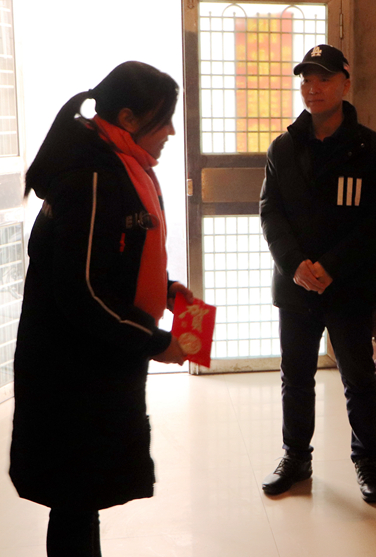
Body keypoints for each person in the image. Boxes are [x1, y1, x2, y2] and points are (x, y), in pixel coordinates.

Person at [10, 61, 194, 557]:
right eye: (163, 120)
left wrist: (163, 288)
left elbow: (111, 258)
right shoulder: (93, 177)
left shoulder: (114, 164)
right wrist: (156, 341)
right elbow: (83, 292)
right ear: (128, 118)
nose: (171, 132)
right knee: (75, 496)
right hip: (73, 371)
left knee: (80, 496)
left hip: (89, 361)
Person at [259, 45, 376, 503]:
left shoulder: (374, 149)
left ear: (345, 82)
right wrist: (294, 264)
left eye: (323, 78)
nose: (313, 88)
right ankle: (295, 457)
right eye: (306, 79)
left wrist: (330, 266)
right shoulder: (283, 147)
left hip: (349, 286)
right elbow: (270, 212)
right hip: (296, 287)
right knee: (296, 377)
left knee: (358, 378)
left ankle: (367, 461)